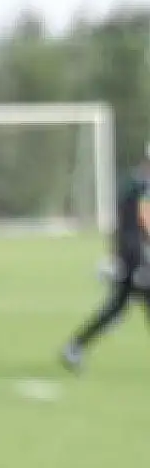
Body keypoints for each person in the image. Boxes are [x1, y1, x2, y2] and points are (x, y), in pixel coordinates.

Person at [61, 142, 150, 372]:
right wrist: (135, 260)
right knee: (119, 307)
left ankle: (75, 347)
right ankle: (74, 347)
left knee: (116, 307)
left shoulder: (135, 184)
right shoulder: (139, 188)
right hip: (136, 259)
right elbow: (136, 227)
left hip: (133, 257)